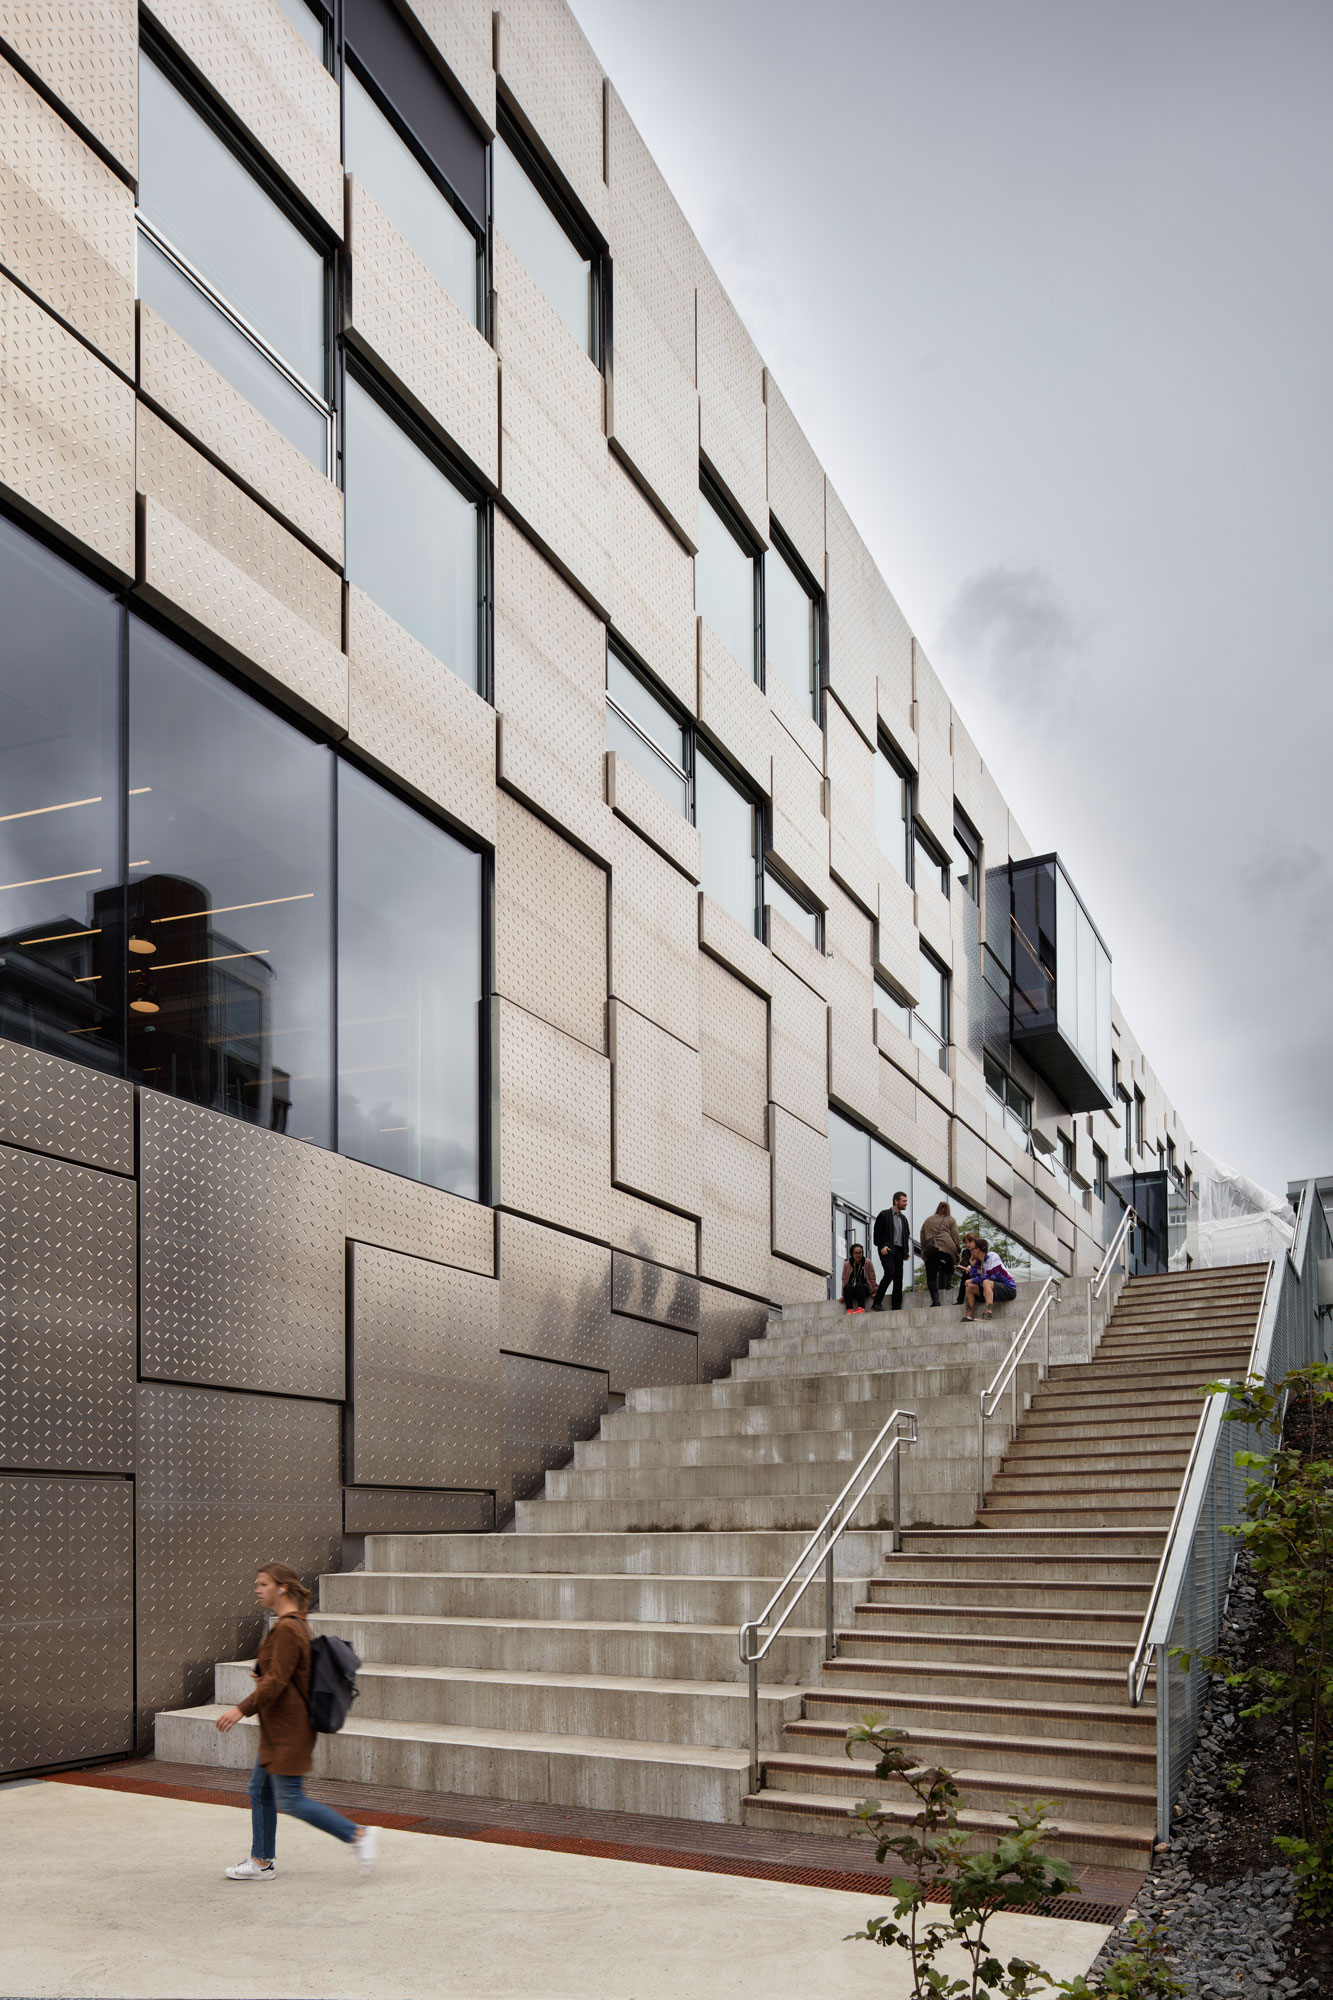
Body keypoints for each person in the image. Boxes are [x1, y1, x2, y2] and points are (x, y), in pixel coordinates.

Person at [215, 1561, 379, 1881]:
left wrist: (240, 1710)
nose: (257, 1590)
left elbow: (277, 1682)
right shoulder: (294, 1624)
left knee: (291, 1799)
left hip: (289, 1730)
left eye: (263, 1584)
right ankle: (261, 1861)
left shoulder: (289, 1628)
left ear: (282, 1588)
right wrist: (262, 1675)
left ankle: (358, 1835)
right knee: (260, 1789)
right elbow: (283, 1674)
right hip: (279, 1728)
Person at [872, 1191, 911, 1311]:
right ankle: (876, 1303)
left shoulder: (904, 1219)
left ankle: (896, 1306)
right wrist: (882, 1246)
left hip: (899, 1251)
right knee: (889, 1273)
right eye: (904, 1201)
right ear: (896, 1201)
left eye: (906, 1201)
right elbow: (877, 1234)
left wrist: (905, 1251)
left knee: (898, 1278)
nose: (906, 1203)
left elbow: (906, 1235)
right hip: (887, 1249)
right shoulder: (884, 1215)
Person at [919, 1201, 963, 1308]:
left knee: (931, 1277)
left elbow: (922, 1235)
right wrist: (958, 1249)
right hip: (948, 1246)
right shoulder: (950, 1220)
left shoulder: (928, 1220)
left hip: (932, 1249)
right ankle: (948, 1284)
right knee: (950, 1261)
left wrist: (923, 1249)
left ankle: (936, 1301)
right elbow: (955, 1237)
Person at [963, 1238, 1018, 1321]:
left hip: (1008, 1289)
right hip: (991, 1291)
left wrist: (973, 1280)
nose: (971, 1252)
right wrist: (973, 1265)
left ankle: (988, 1313)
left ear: (978, 1250)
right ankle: (969, 1316)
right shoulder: (979, 1262)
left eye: (972, 1249)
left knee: (986, 1282)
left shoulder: (992, 1256)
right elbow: (974, 1277)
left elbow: (992, 1276)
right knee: (969, 1286)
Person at [841, 1240, 876, 1313]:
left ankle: (861, 1308)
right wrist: (843, 1295)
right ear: (852, 1254)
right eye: (856, 1253)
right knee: (847, 1287)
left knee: (859, 1285)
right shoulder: (847, 1264)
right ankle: (849, 1309)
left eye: (860, 1253)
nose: (858, 1255)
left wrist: (874, 1291)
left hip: (864, 1288)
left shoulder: (867, 1262)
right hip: (852, 1288)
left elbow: (872, 1278)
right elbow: (844, 1280)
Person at [955, 1230, 978, 1306]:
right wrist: (968, 1266)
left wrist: (972, 1267)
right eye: (966, 1243)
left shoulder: (980, 1251)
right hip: (970, 1273)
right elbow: (964, 1261)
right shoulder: (965, 1252)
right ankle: (960, 1300)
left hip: (979, 1273)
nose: (968, 1244)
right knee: (965, 1276)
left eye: (970, 1242)